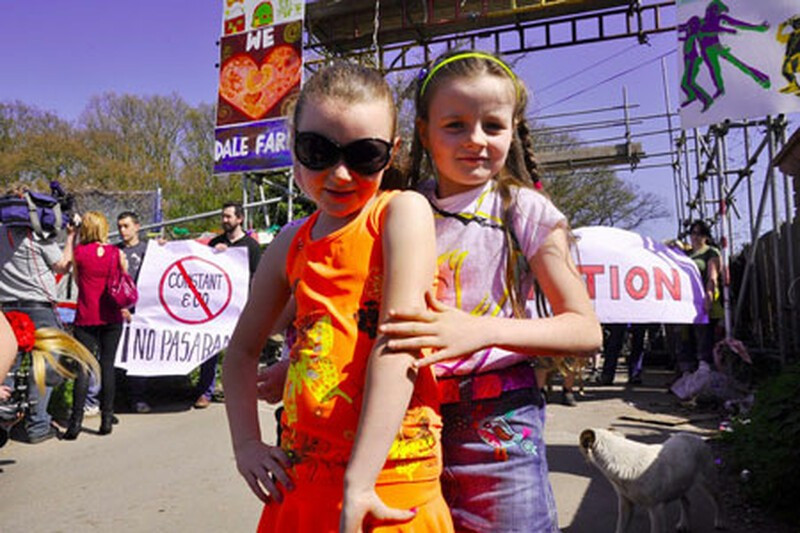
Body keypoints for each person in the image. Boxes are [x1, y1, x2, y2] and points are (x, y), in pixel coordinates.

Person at [222, 61, 453, 532]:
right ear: (294, 149)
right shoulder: (291, 242)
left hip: (391, 477)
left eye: (365, 155)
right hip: (303, 478)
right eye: (317, 150)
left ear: (392, 153)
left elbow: (399, 342)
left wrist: (360, 482)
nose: (341, 174)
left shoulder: (401, 212)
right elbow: (242, 351)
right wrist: (246, 443)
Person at [380, 50, 602, 531]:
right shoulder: (399, 210)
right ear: (423, 131)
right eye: (455, 124)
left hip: (501, 421)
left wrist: (477, 331)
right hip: (409, 418)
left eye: (493, 126)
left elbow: (585, 329)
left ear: (513, 128)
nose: (475, 140)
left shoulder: (525, 209)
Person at [0, 185, 76, 443]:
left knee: (9, 365)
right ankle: (37, 425)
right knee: (47, 364)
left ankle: (5, 417)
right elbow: (63, 266)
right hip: (38, 307)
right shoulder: (38, 236)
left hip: (6, 308)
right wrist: (70, 238)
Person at [64, 211, 128, 439]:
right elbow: (123, 281)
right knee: (107, 366)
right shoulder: (115, 253)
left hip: (86, 315)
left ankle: (75, 423)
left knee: (83, 368)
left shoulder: (79, 252)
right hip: (111, 316)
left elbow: (78, 282)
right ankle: (107, 419)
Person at [195, 201, 262, 409]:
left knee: (241, 351)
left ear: (239, 219)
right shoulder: (215, 243)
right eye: (223, 216)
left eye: (228, 217)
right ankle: (205, 392)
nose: (224, 220)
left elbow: (256, 277)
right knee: (210, 351)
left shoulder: (251, 246)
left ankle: (240, 390)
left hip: (240, 309)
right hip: (216, 309)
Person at [116, 211, 151, 413]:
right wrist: (121, 306)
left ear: (137, 226)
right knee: (116, 355)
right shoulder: (114, 251)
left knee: (139, 354)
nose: (122, 230)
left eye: (126, 226)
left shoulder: (149, 250)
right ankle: (116, 398)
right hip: (119, 310)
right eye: (120, 226)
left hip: (142, 311)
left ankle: (139, 398)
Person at [677, 220, 722, 375]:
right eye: (693, 233)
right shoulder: (686, 254)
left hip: (703, 303)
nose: (695, 237)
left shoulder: (711, 252)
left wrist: (709, 294)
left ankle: (704, 376)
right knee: (685, 341)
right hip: (686, 304)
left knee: (703, 340)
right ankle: (687, 377)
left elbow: (712, 276)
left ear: (706, 236)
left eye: (699, 233)